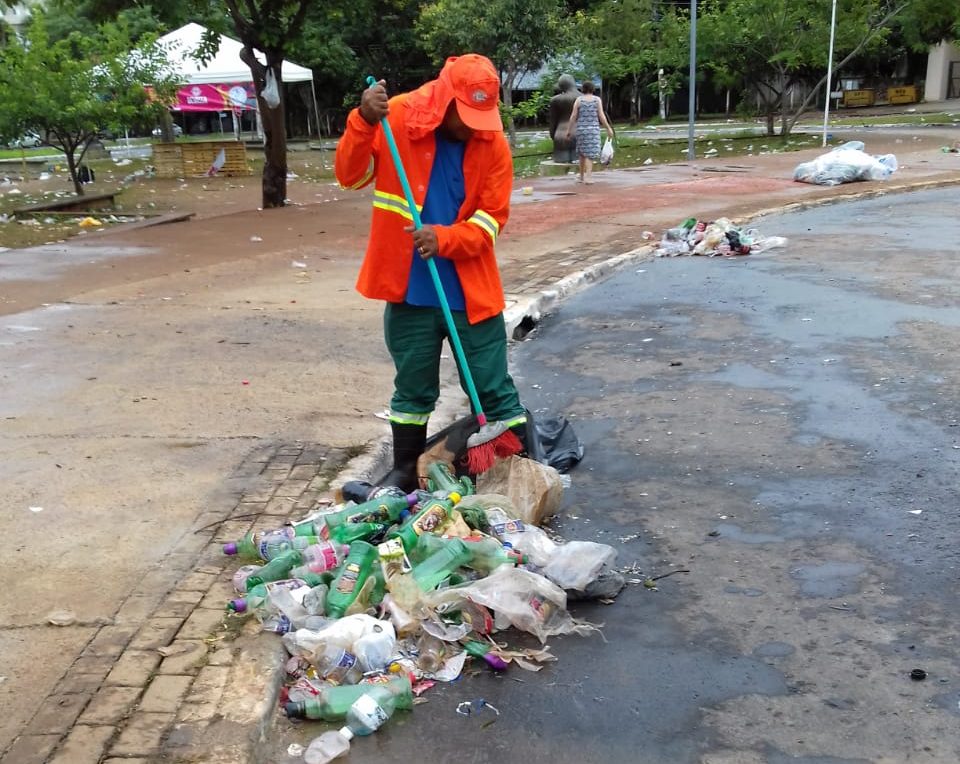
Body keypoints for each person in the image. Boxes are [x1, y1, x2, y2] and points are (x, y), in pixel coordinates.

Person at [334, 54, 528, 492]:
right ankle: (405, 472)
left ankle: (521, 469)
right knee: (412, 389)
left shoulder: (493, 143)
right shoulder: (396, 117)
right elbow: (350, 176)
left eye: (483, 116)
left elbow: (491, 220)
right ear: (445, 99)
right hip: (410, 290)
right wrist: (363, 121)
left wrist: (444, 239)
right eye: (467, 115)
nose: (475, 127)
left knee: (492, 388)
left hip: (469, 291)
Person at [565, 80, 614, 184]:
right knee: (590, 155)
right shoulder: (597, 100)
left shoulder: (579, 100)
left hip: (581, 130)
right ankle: (588, 177)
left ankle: (581, 176)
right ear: (593, 89)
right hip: (593, 130)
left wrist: (569, 130)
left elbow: (573, 116)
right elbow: (601, 116)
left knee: (582, 153)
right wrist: (608, 128)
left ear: (582, 89)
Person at [548, 74, 579, 163]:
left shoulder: (555, 100)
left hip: (560, 134)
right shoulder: (583, 98)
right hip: (579, 133)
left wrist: (553, 136)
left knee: (561, 164)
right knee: (580, 163)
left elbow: (553, 122)